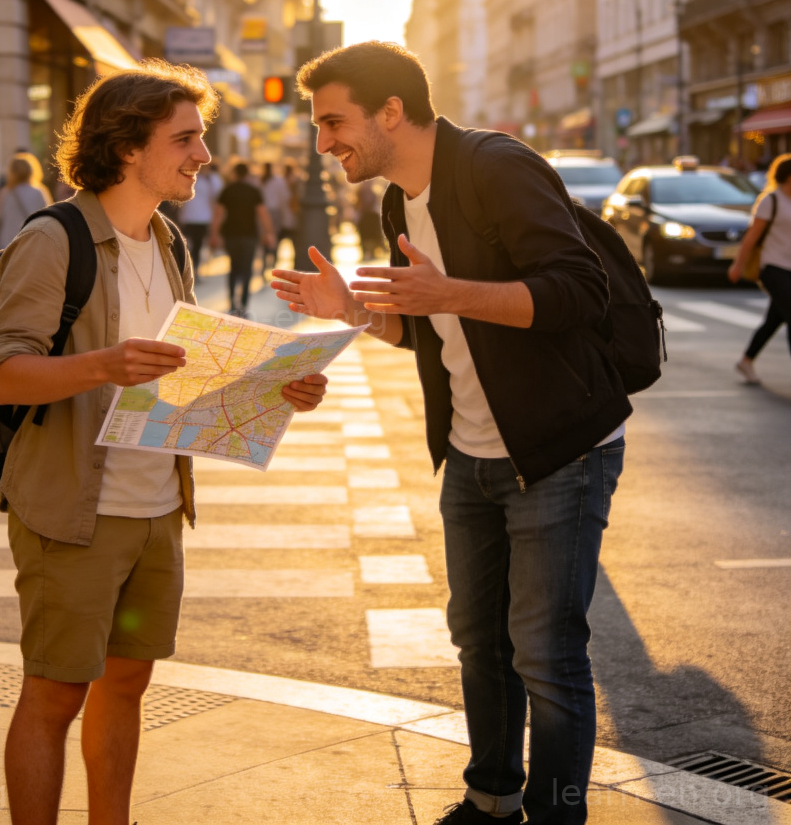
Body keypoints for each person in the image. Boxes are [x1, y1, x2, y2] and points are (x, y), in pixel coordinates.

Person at [271, 42, 629, 825]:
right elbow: (428, 335)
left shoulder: (496, 167)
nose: (325, 142)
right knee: (477, 638)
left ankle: (560, 813)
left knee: (546, 653)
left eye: (335, 123)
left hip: (558, 449)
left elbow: (578, 292)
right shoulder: (399, 200)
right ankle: (491, 797)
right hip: (471, 455)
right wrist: (354, 312)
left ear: (391, 111)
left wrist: (448, 291)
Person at [0, 62, 328, 825]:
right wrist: (101, 364)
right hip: (75, 512)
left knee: (127, 685)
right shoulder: (53, 240)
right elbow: (2, 375)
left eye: (199, 137)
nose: (202, 153)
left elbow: (183, 374)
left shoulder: (167, 240)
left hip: (158, 507)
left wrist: (278, 388)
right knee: (55, 692)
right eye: (186, 138)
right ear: (129, 146)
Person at [728, 153, 791, 383]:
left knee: (775, 319)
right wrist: (738, 264)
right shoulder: (770, 201)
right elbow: (751, 238)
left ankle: (746, 361)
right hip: (773, 266)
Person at [210, 162, 275, 317]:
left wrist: (214, 234)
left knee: (233, 268)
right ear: (247, 175)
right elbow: (263, 214)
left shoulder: (227, 190)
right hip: (249, 235)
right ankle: (244, 306)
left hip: (231, 234)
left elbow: (218, 214)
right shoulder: (254, 191)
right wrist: (269, 233)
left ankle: (232, 304)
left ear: (234, 174)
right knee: (247, 270)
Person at [0, 155, 51, 252]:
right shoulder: (39, 191)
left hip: (7, 244)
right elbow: (47, 219)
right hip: (32, 243)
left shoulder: (6, 192)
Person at [177, 160, 221, 278]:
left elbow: (218, 196)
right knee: (187, 245)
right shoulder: (187, 176)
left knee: (198, 246)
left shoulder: (212, 180)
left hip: (203, 218)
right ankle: (187, 269)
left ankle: (195, 270)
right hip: (187, 217)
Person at [259, 162, 292, 271]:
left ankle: (264, 263)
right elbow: (285, 198)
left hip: (262, 212)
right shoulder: (278, 181)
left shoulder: (260, 181)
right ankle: (273, 262)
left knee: (264, 238)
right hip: (275, 212)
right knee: (275, 237)